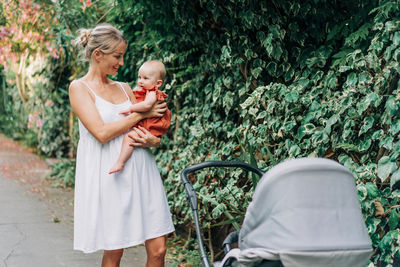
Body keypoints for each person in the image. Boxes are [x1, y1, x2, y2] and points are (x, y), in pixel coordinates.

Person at [69, 23, 175, 267]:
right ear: (98, 54)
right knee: (115, 251)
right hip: (111, 177)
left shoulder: (126, 88)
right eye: (117, 56)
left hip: (143, 171)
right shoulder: (79, 88)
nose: (122, 62)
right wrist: (139, 114)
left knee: (159, 250)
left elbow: (148, 126)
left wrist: (153, 141)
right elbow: (102, 133)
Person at [109, 60, 171, 174]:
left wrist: (131, 108)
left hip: (150, 126)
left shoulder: (152, 93)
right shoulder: (145, 91)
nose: (140, 81)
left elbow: (147, 105)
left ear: (158, 83)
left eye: (145, 78)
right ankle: (120, 161)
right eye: (139, 77)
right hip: (147, 123)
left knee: (129, 137)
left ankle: (120, 162)